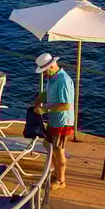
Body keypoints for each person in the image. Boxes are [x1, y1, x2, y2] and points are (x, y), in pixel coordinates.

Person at [35, 53, 75, 189]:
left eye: (45, 71)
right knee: (48, 144)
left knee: (59, 149)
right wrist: (36, 102)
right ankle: (57, 172)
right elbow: (46, 93)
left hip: (63, 121)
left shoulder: (63, 80)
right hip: (54, 119)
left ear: (51, 66)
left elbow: (66, 105)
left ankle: (61, 180)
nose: (44, 74)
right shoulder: (52, 77)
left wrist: (45, 110)